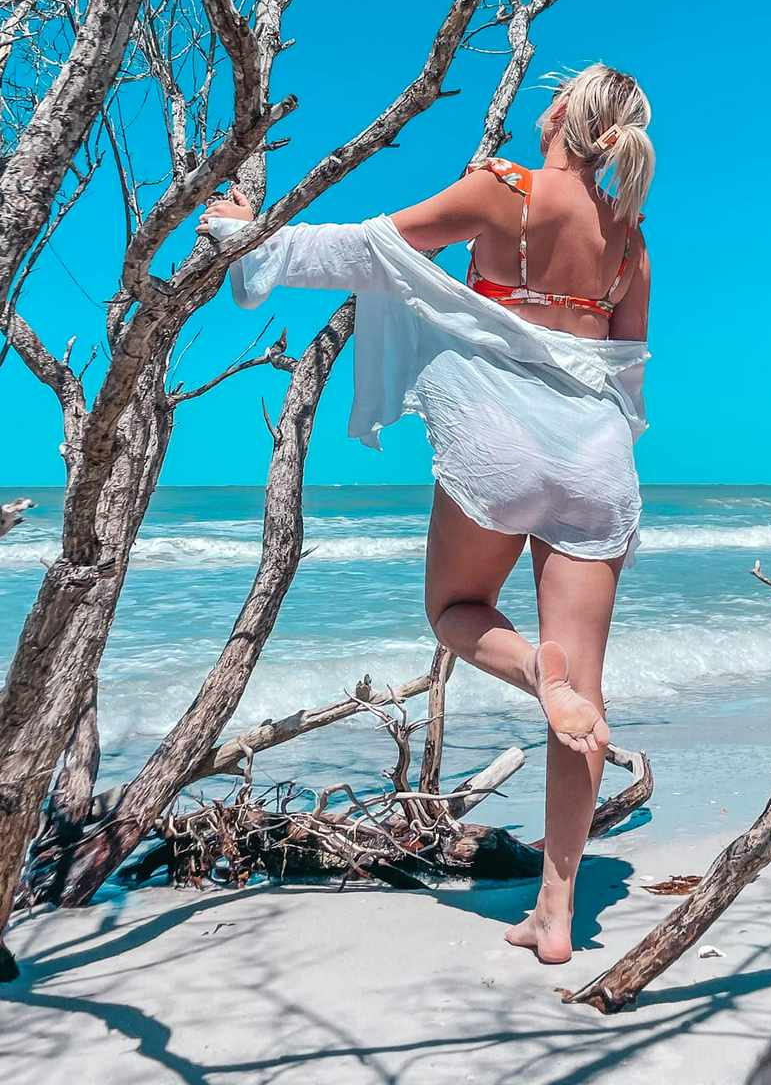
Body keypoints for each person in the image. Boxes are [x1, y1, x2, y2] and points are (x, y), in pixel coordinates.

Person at [199, 63, 652, 963]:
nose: (544, 98)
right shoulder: (630, 239)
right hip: (598, 459)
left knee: (452, 613)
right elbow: (626, 364)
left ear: (567, 113)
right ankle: (559, 916)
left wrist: (250, 238)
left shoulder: (505, 189)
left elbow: (373, 249)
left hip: (500, 439)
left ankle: (532, 670)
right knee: (588, 698)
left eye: (554, 91)